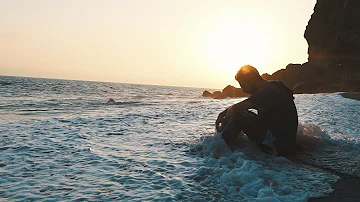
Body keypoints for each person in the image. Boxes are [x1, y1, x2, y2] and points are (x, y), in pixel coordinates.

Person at [215, 65, 298, 156]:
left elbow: (236, 108)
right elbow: (242, 106)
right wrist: (224, 113)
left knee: (239, 116)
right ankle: (224, 141)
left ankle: (218, 148)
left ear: (251, 80)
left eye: (243, 86)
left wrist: (225, 117)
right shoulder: (275, 85)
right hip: (285, 141)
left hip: (277, 145)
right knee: (243, 114)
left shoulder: (267, 91)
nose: (244, 90)